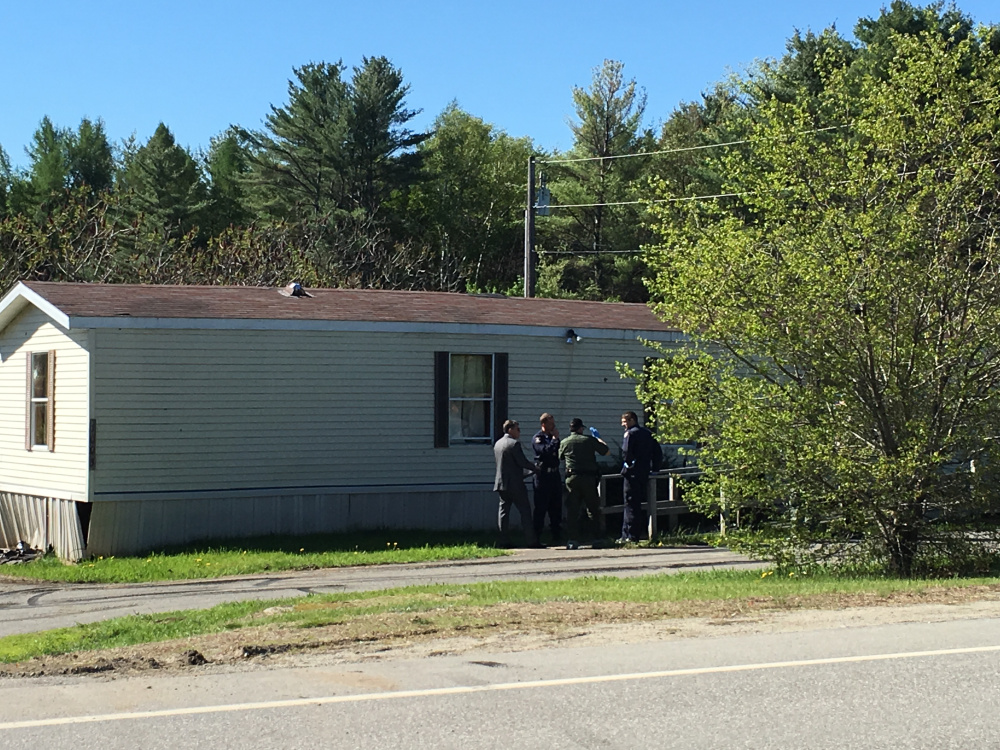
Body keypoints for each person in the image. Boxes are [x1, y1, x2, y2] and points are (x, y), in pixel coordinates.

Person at [558, 417, 610, 549]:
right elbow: (606, 451)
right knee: (592, 509)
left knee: (572, 510)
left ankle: (572, 540)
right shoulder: (589, 440)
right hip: (588, 478)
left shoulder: (564, 442)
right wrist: (598, 438)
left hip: (572, 478)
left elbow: (560, 457)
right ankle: (597, 539)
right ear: (581, 428)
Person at [493, 419, 541, 548]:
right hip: (515, 484)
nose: (519, 432)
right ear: (510, 429)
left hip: (501, 483)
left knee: (503, 513)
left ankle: (503, 540)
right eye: (517, 429)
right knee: (525, 511)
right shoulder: (514, 444)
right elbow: (522, 462)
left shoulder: (497, 444)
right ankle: (531, 540)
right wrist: (535, 468)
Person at [620, 411, 656, 543]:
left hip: (632, 473)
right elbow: (656, 451)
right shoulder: (647, 433)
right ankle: (636, 533)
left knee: (630, 503)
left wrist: (627, 464)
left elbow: (626, 451)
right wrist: (655, 468)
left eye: (624, 422)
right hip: (644, 472)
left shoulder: (630, 434)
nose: (623, 425)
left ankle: (630, 535)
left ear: (631, 420)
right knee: (638, 503)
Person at [532, 413, 562, 543]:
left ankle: (556, 535)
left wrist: (555, 440)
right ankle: (536, 536)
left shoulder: (553, 437)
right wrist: (555, 440)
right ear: (543, 424)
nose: (553, 426)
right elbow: (545, 452)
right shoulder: (538, 438)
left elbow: (557, 453)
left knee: (556, 507)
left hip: (554, 475)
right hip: (542, 476)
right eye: (551, 423)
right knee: (541, 507)